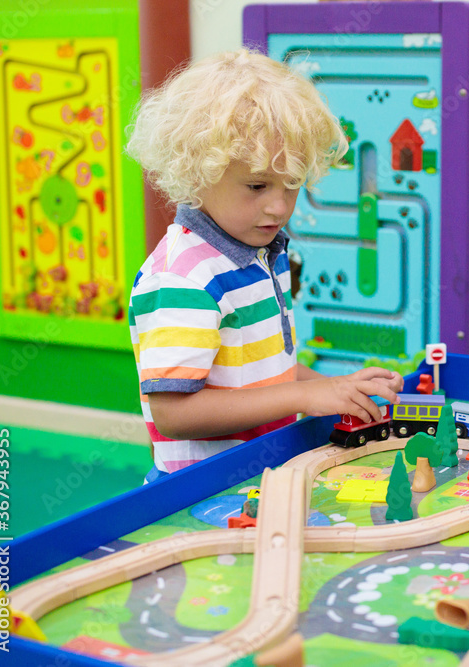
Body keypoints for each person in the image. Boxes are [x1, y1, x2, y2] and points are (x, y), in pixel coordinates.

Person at [126, 49, 402, 481]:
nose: (278, 205)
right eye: (257, 185)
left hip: (261, 478)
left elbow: (266, 371)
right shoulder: (182, 278)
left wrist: (336, 388)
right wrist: (306, 397)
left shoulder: (259, 250)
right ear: (198, 173)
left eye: (292, 184)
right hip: (203, 494)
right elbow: (175, 413)